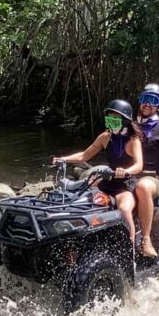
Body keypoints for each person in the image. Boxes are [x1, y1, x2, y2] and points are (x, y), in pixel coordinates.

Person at [53, 100, 143, 243]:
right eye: (109, 118)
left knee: (124, 209)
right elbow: (84, 155)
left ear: (125, 121)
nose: (111, 121)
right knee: (81, 200)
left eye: (115, 119)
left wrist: (125, 171)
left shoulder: (133, 140)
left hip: (125, 185)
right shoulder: (105, 137)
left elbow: (139, 165)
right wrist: (63, 159)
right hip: (107, 181)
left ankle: (133, 246)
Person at [133, 83, 159, 258]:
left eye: (153, 100)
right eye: (145, 99)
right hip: (130, 173)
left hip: (152, 179)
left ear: (158, 105)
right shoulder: (131, 126)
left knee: (142, 187)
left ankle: (146, 239)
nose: (148, 104)